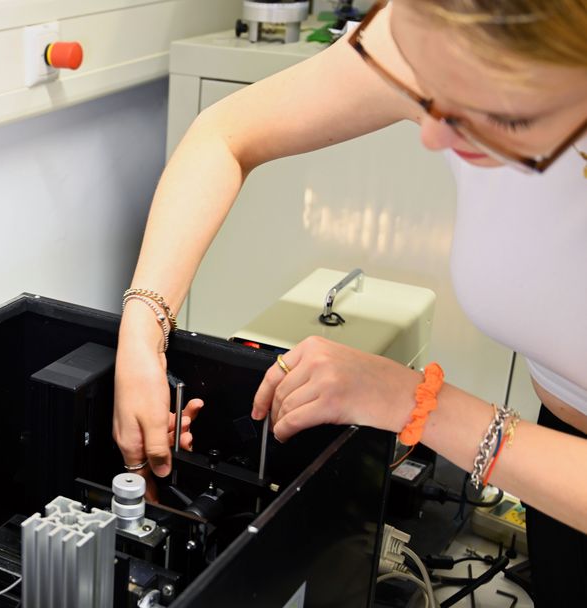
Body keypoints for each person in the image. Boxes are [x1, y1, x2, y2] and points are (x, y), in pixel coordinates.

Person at [113, 1, 587, 605]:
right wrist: (141, 334)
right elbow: (225, 134)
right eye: (420, 86)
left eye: (488, 110)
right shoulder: (445, 21)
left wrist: (417, 403)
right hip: (549, 469)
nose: (430, 133)